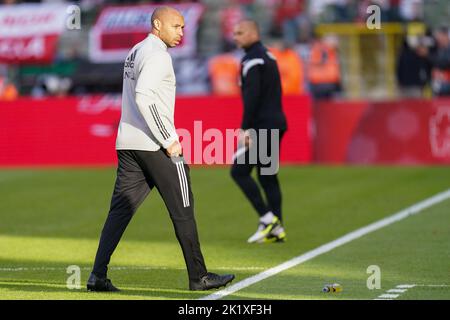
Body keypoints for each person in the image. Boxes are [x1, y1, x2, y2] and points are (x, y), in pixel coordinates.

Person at [87, 6, 234, 292]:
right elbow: (144, 97)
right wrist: (168, 138)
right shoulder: (158, 56)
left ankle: (98, 275)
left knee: (119, 212)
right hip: (155, 145)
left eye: (182, 27)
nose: (181, 32)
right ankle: (199, 276)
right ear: (157, 25)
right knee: (184, 208)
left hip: (129, 143)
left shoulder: (136, 51)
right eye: (176, 26)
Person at [231, 20, 288, 244]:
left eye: (240, 32)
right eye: (234, 33)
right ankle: (277, 228)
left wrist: (245, 128)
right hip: (277, 122)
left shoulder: (252, 60)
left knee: (239, 171)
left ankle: (268, 219)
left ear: (254, 33)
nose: (236, 36)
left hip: (263, 125)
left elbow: (252, 98)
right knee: (267, 176)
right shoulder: (268, 55)